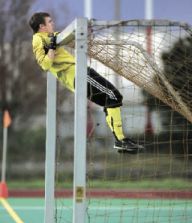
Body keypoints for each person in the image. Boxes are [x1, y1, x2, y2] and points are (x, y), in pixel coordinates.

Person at [29, 12, 144, 153]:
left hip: (82, 71)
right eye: (50, 21)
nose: (53, 23)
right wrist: (52, 47)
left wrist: (86, 29)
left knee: (111, 99)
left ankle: (121, 140)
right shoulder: (37, 39)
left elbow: (67, 36)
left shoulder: (52, 36)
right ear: (42, 26)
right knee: (114, 96)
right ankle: (120, 140)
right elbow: (45, 65)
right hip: (79, 74)